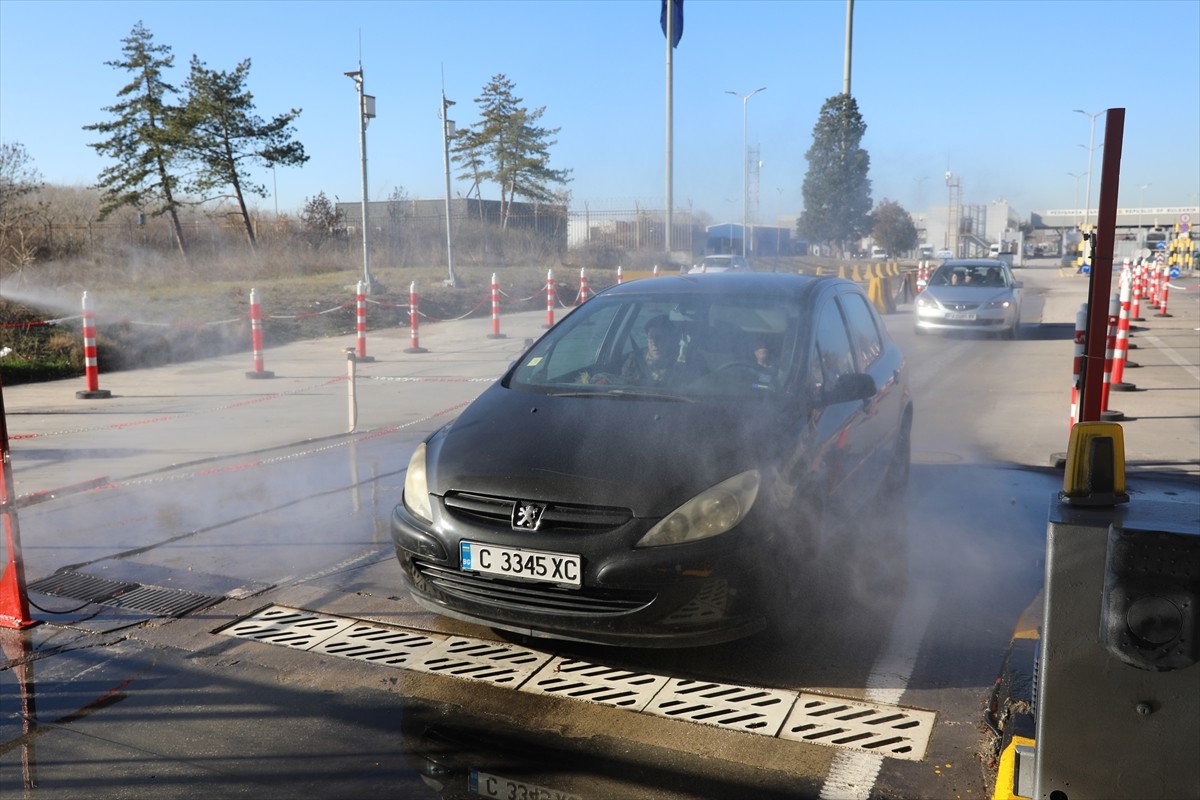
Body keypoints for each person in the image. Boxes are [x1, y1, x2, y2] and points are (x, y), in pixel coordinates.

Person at [621, 315, 703, 385]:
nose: (654, 343)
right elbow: (623, 385)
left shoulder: (691, 360)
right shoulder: (636, 360)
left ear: (672, 339)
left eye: (660, 338)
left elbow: (700, 387)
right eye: (651, 338)